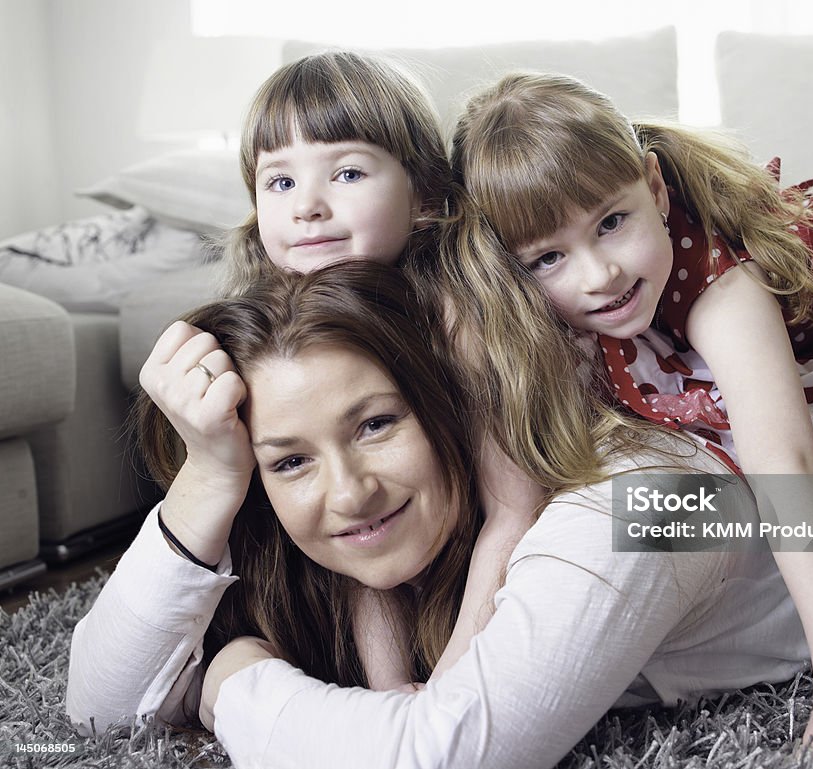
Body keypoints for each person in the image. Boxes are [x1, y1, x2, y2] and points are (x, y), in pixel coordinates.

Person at [67, 262, 813, 769]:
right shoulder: (362, 553)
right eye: (290, 460)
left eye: (378, 423)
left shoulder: (630, 501)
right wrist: (207, 476)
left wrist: (232, 675)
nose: (349, 492)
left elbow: (437, 757)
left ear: (449, 406)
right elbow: (99, 712)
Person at [447, 71, 813, 766]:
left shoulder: (723, 288)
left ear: (654, 189)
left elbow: (785, 467)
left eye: (611, 222)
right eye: (549, 258)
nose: (597, 273)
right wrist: (451, 670)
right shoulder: (532, 305)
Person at [155, 49, 549, 691]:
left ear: (424, 196)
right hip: (385, 547)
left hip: (493, 538)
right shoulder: (280, 334)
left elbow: (513, 508)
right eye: (279, 182)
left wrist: (452, 686)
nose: (306, 206)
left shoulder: (460, 315)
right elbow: (348, 558)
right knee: (352, 518)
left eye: (346, 173)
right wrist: (388, 696)